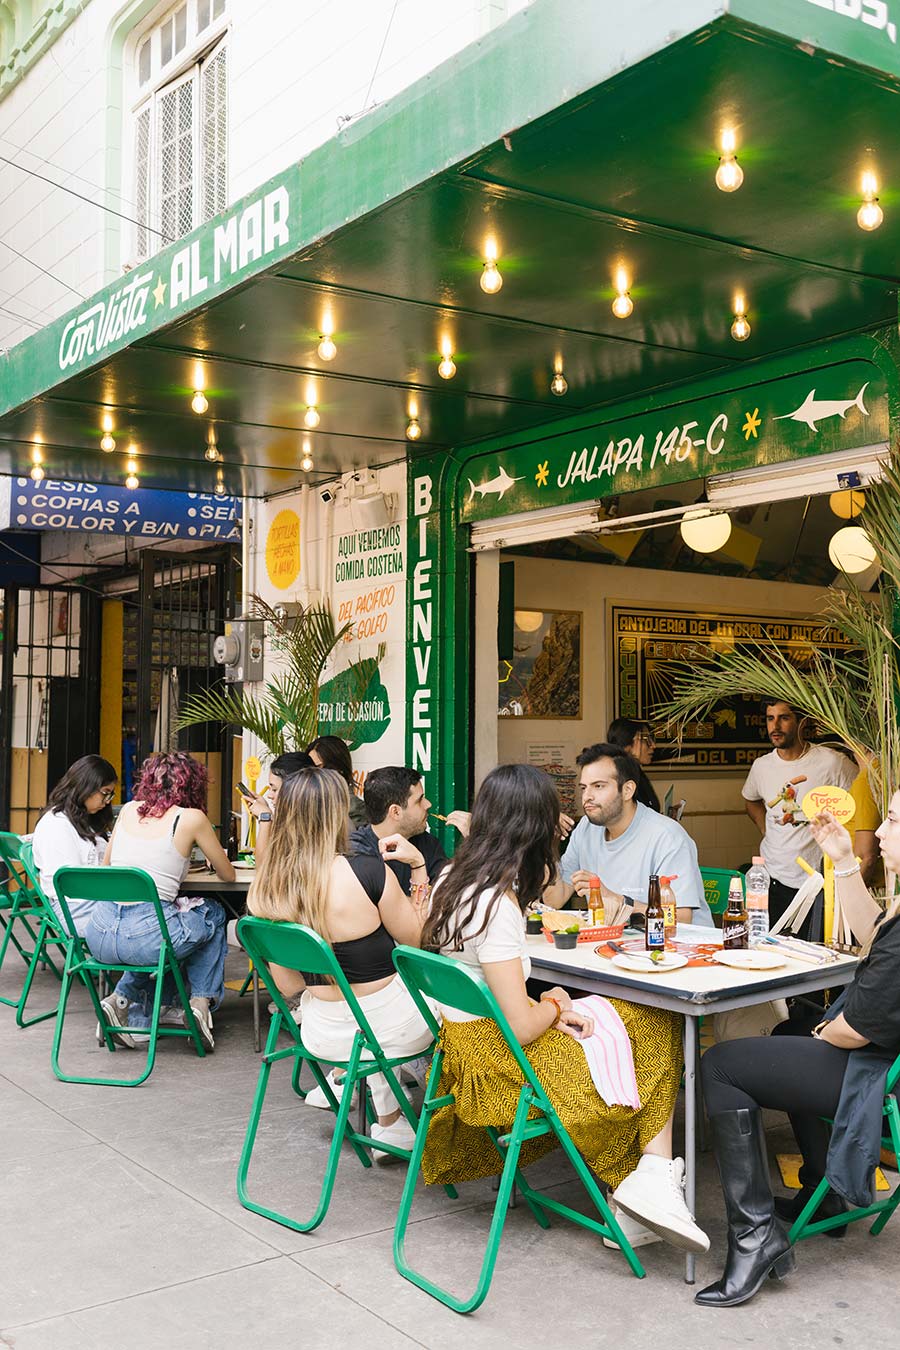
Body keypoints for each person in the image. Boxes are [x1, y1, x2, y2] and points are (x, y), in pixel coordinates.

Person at [419, 762, 709, 1254]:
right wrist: (553, 1005)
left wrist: (548, 1007)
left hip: (463, 1052)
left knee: (632, 1021)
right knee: (655, 1024)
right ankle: (642, 1188)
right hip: (503, 1067)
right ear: (535, 827)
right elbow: (524, 1026)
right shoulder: (497, 906)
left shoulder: (452, 876)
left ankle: (648, 1184)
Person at [697, 798, 900, 1307]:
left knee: (722, 1065)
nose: (878, 831)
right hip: (886, 1058)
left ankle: (754, 1237)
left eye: (893, 822)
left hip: (877, 1073)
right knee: (793, 1032)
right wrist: (844, 862)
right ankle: (823, 1190)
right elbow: (874, 936)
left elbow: (854, 1030)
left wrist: (825, 1033)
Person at [247, 767, 434, 1147]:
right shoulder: (367, 872)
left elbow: (288, 985)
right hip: (387, 1027)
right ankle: (450, 1110)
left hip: (322, 1033)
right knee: (451, 996)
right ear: (336, 816)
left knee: (368, 1007)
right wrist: (418, 868)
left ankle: (388, 1116)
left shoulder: (267, 888)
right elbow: (417, 939)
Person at [82, 751, 233, 1051]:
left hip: (99, 931)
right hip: (147, 936)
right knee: (212, 913)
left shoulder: (127, 810)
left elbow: (107, 870)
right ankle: (199, 1004)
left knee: (169, 930)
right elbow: (227, 875)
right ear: (192, 785)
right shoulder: (190, 818)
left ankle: (120, 998)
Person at [543, 743, 713, 924]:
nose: (587, 796)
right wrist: (545, 842)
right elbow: (555, 899)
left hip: (679, 948)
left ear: (627, 790)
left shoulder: (667, 837)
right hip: (615, 945)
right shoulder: (586, 828)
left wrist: (613, 899)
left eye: (598, 786)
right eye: (584, 788)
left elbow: (681, 919)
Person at [741, 701, 855, 931]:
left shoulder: (831, 762)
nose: (775, 726)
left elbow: (862, 796)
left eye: (784, 718)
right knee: (769, 948)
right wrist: (765, 828)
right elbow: (750, 800)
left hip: (817, 881)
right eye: (770, 718)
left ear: (802, 722)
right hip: (772, 877)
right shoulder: (762, 766)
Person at [31, 755, 118, 937]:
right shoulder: (56, 824)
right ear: (86, 787)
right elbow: (73, 886)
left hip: (93, 902)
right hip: (75, 910)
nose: (108, 800)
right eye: (105, 793)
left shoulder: (85, 819)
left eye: (111, 794)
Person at [349, 766, 448, 895]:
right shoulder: (356, 853)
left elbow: (448, 897)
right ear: (395, 812)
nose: (428, 804)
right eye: (419, 800)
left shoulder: (428, 844)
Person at [243, 750, 315, 864]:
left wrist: (265, 818)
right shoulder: (295, 820)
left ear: (294, 789)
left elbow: (264, 867)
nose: (269, 795)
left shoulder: (311, 827)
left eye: (274, 789)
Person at [307, 735, 368, 827]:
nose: (314, 773)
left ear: (339, 768)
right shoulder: (305, 801)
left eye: (319, 767)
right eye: (310, 768)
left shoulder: (353, 808)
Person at [606, 718, 660, 812]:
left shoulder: (636, 772)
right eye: (646, 739)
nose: (653, 745)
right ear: (627, 743)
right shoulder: (617, 778)